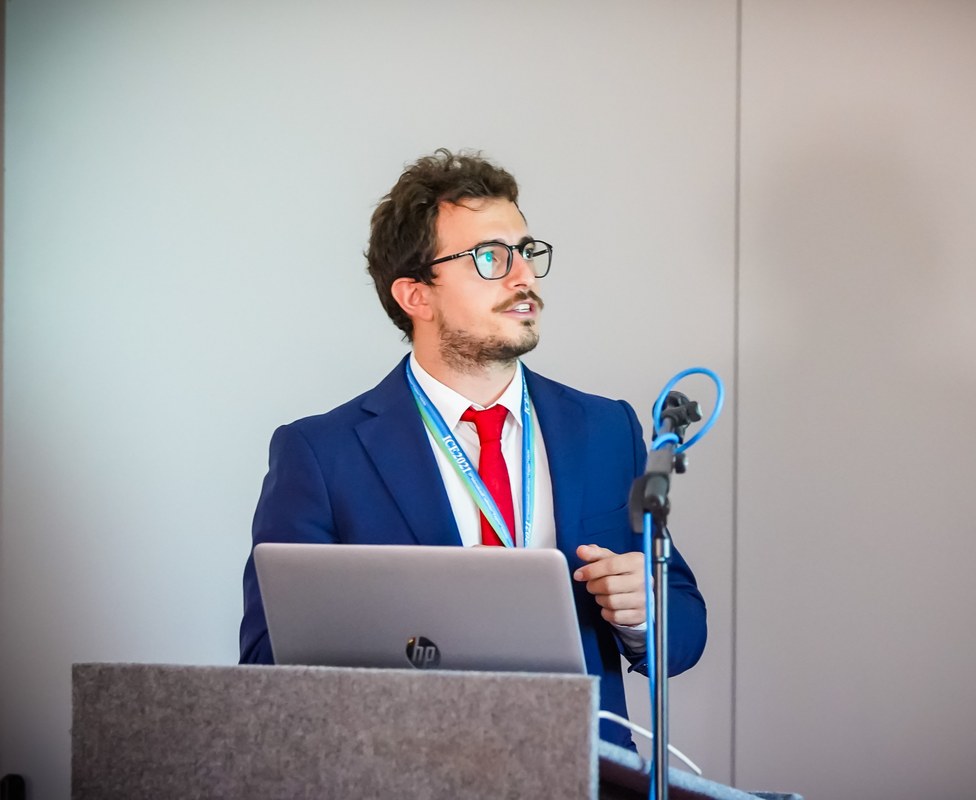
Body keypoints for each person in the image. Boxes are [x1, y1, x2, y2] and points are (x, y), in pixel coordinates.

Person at [238, 148, 707, 748]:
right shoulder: (322, 455)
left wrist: (643, 615)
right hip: (404, 772)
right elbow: (265, 664)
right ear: (416, 295)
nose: (524, 277)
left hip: (585, 772)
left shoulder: (605, 429)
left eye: (526, 251)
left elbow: (686, 634)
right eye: (491, 257)